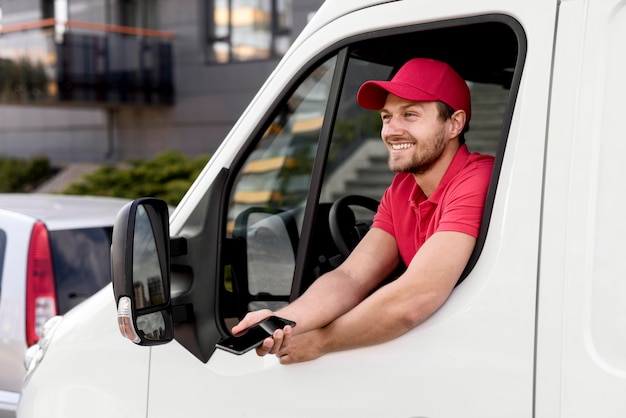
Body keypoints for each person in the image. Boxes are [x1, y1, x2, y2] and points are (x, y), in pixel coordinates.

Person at [232, 57, 495, 364]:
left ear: (455, 123)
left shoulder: (478, 179)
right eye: (386, 117)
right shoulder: (401, 190)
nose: (391, 130)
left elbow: (414, 298)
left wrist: (323, 342)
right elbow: (351, 277)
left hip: (475, 358)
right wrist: (283, 322)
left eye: (410, 115)